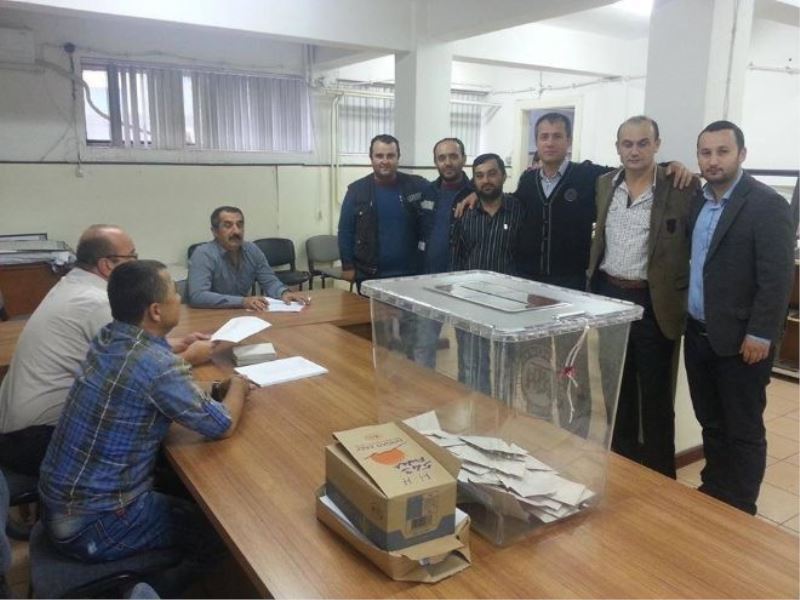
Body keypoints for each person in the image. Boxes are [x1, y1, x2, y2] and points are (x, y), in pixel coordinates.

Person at [38, 260, 251, 592]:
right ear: (155, 310)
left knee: (183, 488)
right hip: (94, 525)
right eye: (174, 292)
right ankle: (150, 591)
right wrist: (239, 385)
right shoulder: (156, 365)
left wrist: (205, 386)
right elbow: (221, 424)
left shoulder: (108, 337)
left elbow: (149, 386)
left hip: (59, 506)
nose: (179, 298)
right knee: (224, 533)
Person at [0, 226, 213, 477]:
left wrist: (176, 343)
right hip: (39, 438)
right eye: (132, 257)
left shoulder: (73, 285)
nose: (136, 263)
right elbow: (136, 376)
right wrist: (191, 356)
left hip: (18, 426)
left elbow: (128, 349)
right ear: (107, 265)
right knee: (171, 435)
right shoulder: (97, 302)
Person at [685, 120, 794, 514]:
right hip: (698, 334)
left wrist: (761, 334)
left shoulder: (767, 204)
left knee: (743, 428)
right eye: (706, 153)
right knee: (711, 422)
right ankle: (715, 490)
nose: (713, 160)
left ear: (741, 154)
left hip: (743, 341)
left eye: (722, 151)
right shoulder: (697, 201)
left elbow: (777, 279)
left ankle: (741, 506)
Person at [587, 116, 699, 478]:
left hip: (654, 303)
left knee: (655, 398)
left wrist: (677, 166)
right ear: (618, 147)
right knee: (616, 391)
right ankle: (624, 469)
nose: (634, 151)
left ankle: (661, 477)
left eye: (642, 143)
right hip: (609, 297)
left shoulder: (680, 185)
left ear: (657, 145)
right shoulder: (605, 183)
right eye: (627, 144)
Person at [451, 153, 524, 395]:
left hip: (510, 304)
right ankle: (477, 412)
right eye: (480, 176)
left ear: (503, 175)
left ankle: (503, 413)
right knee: (472, 366)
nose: (486, 180)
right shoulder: (464, 212)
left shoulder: (520, 210)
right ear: (474, 180)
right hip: (470, 301)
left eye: (492, 174)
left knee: (508, 367)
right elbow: (457, 258)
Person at [413, 137, 475, 368]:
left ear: (463, 159)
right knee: (423, 345)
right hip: (429, 282)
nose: (447, 162)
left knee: (469, 352)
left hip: (465, 286)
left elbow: (507, 200)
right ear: (435, 162)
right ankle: (424, 390)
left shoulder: (477, 193)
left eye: (453, 156)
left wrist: (478, 195)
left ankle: (468, 392)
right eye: (442, 158)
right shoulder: (427, 192)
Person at [337, 134, 428, 290]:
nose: (385, 161)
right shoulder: (356, 191)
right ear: (371, 158)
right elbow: (345, 231)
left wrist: (471, 192)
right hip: (370, 274)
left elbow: (442, 191)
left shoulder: (416, 185)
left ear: (398, 158)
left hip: (411, 274)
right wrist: (348, 266)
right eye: (379, 156)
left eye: (390, 156)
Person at [187, 206, 308, 309]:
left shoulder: (252, 250)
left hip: (241, 314)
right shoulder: (203, 254)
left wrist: (283, 293)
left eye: (240, 225)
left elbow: (269, 280)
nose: (236, 231)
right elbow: (198, 296)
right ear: (215, 231)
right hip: (207, 314)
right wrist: (242, 301)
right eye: (228, 226)